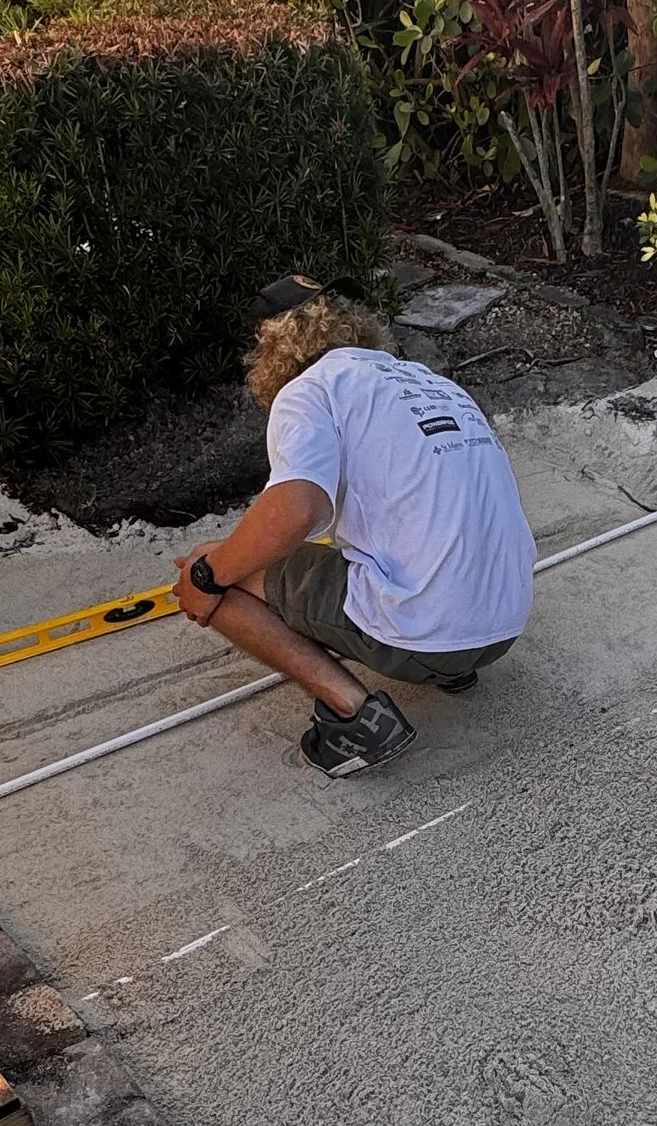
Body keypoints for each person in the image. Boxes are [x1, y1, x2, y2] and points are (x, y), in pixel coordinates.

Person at [173, 275, 537, 775]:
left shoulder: (310, 390)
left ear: (270, 346)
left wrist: (208, 575)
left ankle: (354, 715)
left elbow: (296, 511)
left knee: (215, 569)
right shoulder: (433, 384)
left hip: (426, 631)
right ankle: (454, 670)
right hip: (503, 626)